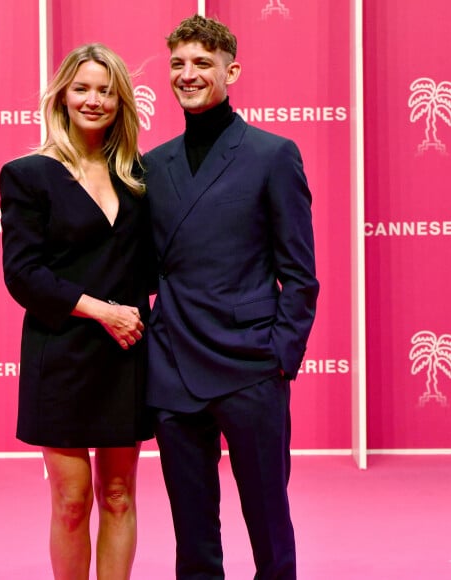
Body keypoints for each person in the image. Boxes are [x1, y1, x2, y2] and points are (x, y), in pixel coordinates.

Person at [143, 15, 319, 580]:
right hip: (173, 366)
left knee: (268, 522)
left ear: (231, 70)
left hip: (250, 365)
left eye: (201, 63)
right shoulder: (153, 164)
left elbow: (300, 273)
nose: (187, 74)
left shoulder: (272, 154)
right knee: (191, 530)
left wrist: (279, 359)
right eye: (177, 64)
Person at [0, 43, 153, 580]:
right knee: (71, 500)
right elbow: (23, 274)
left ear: (121, 101)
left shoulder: (138, 175)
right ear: (63, 94)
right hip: (61, 350)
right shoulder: (28, 174)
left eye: (106, 90)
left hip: (126, 353)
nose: (94, 100)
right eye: (83, 88)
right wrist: (104, 312)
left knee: (118, 494)